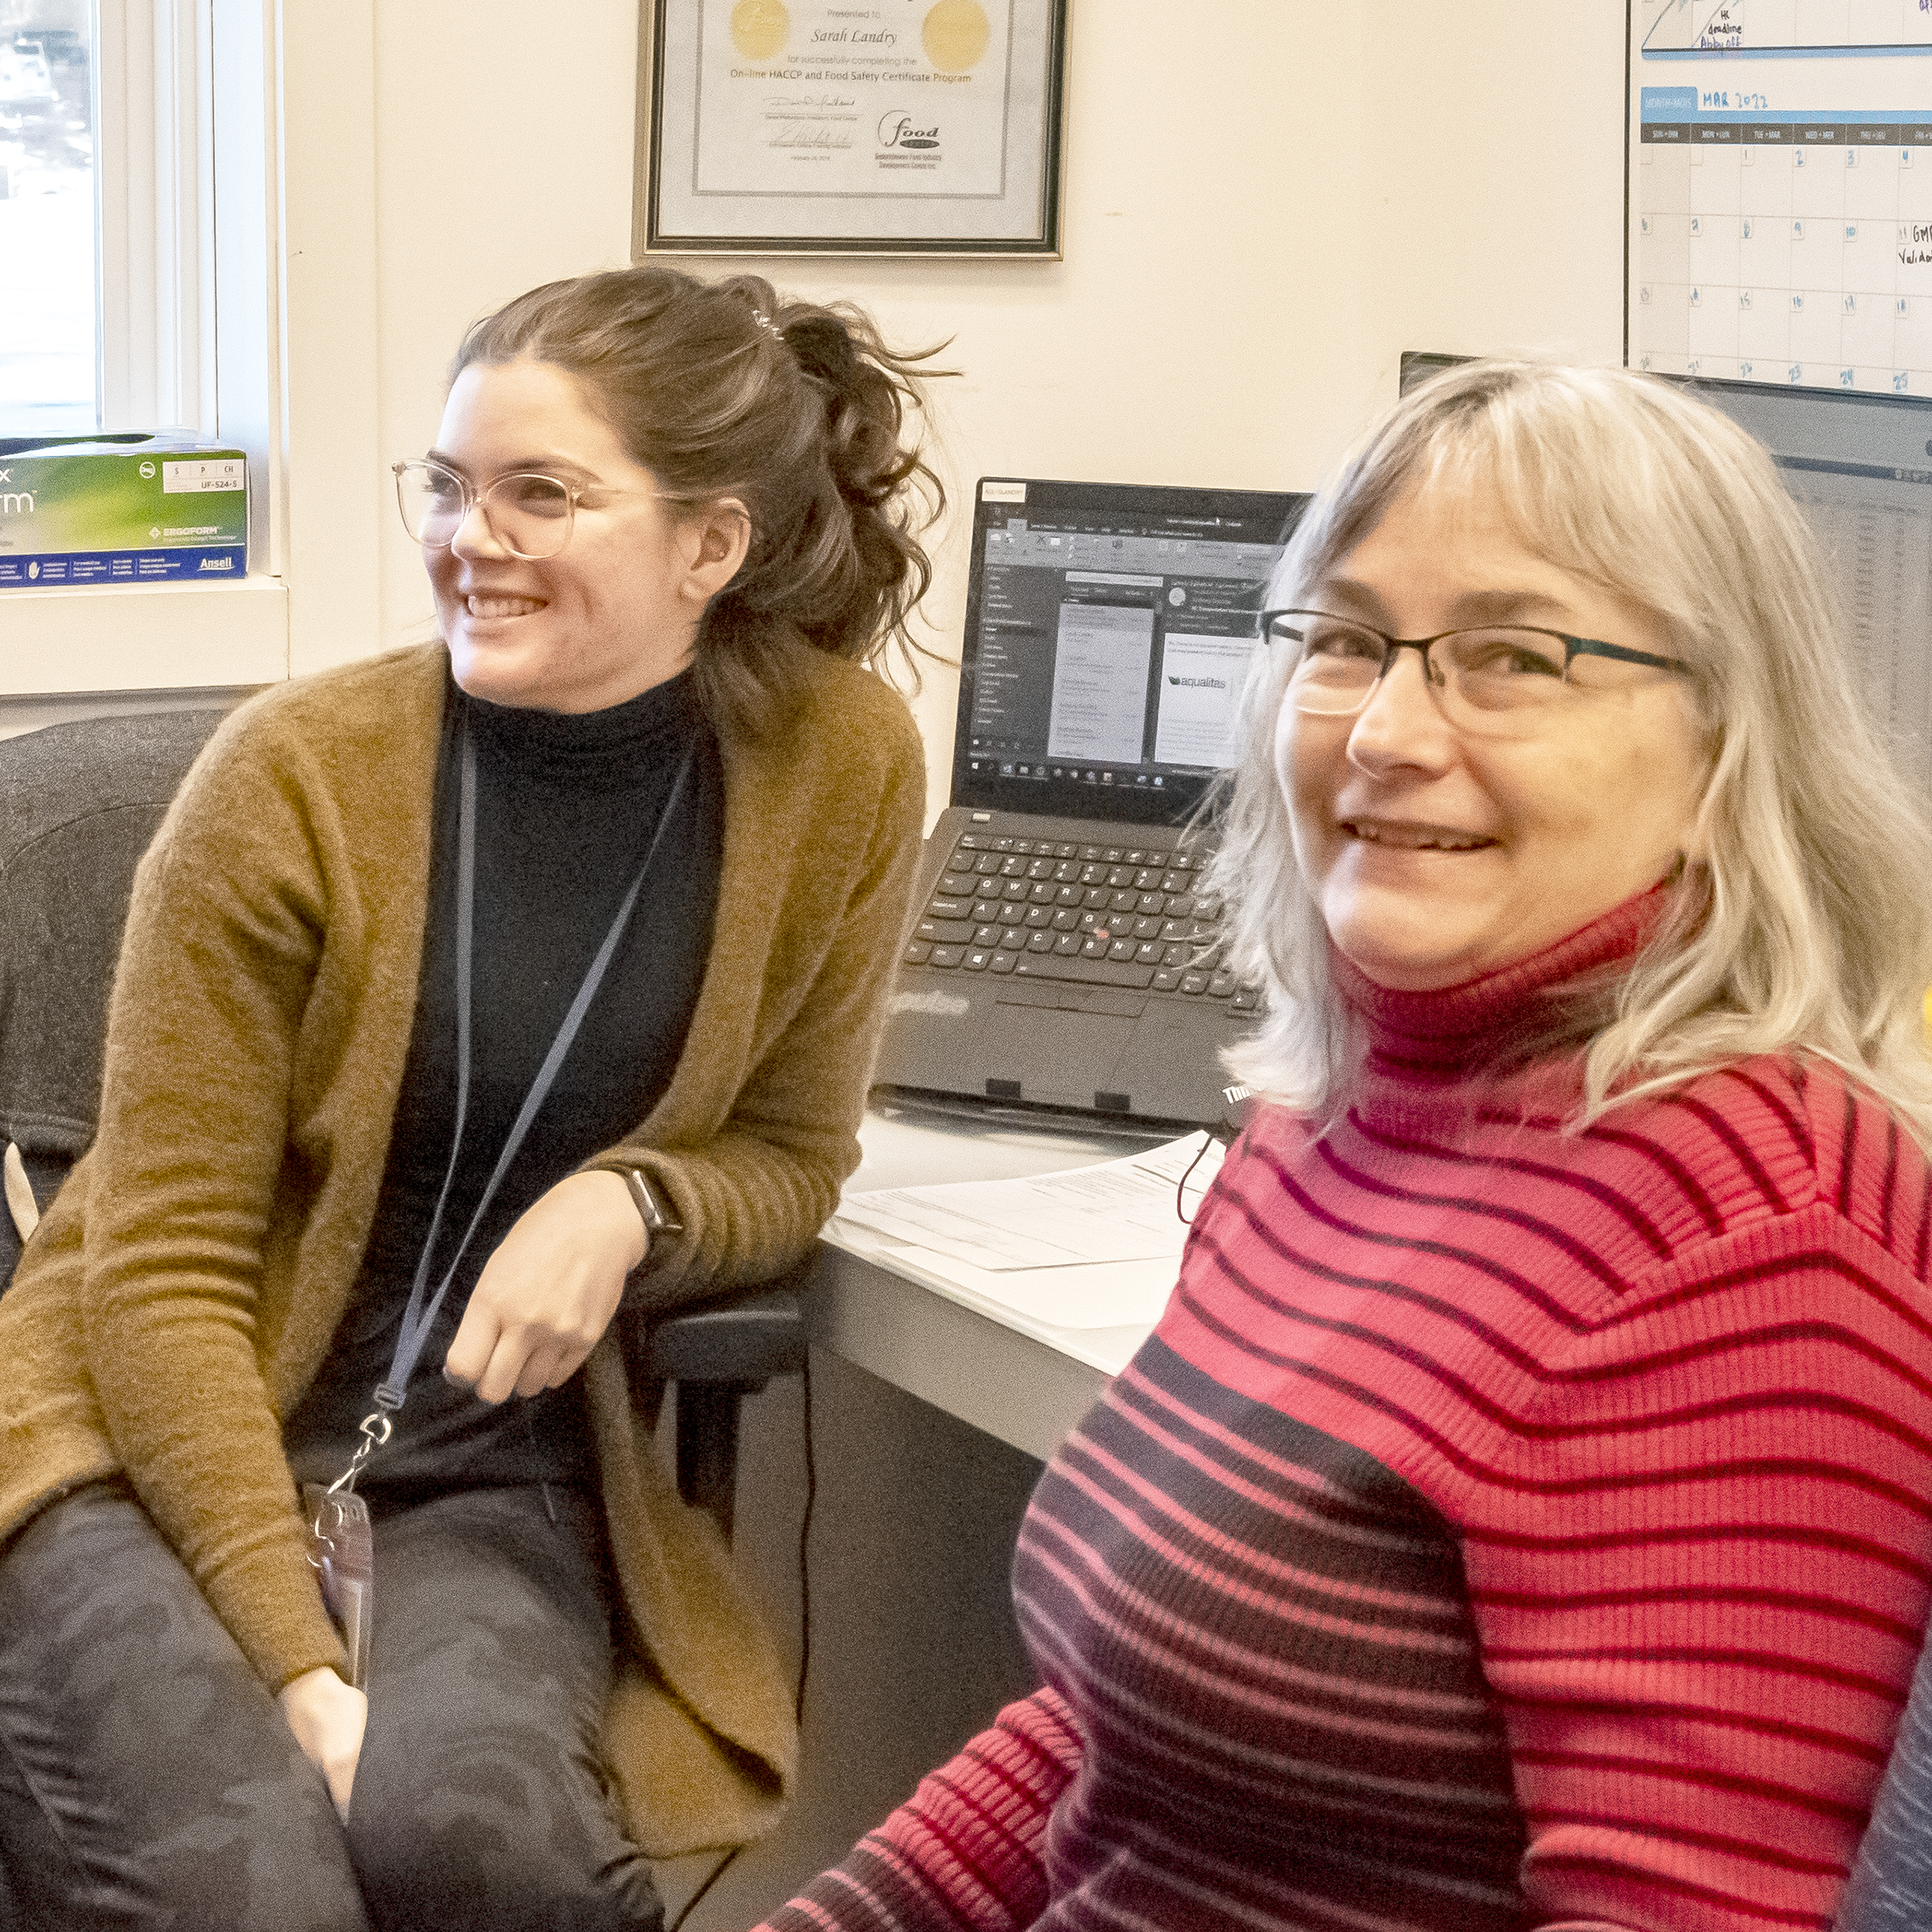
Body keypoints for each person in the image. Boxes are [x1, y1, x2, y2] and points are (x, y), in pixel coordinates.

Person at [750, 361, 1932, 1932]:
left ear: (1726, 747)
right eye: (1350, 643)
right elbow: (1122, 1739)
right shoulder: (1335, 1118)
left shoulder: (1756, 1234)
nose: (1386, 730)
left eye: (1512, 657)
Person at [0, 264, 939, 1930]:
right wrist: (302, 1672)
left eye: (541, 494)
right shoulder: (292, 779)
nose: (469, 537)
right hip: (128, 1439)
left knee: (483, 1856)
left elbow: (791, 1155)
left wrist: (633, 1203)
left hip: (467, 1467)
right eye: (445, 486)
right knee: (268, 1890)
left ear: (709, 546)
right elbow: (155, 1276)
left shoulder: (838, 767)